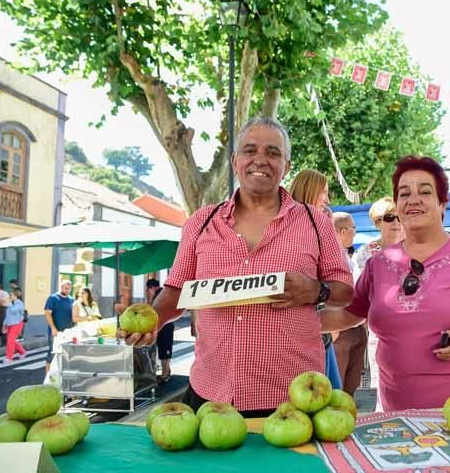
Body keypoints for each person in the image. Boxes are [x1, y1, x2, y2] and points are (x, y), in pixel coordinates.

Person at [119, 118, 354, 417]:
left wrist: (316, 291)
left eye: (273, 152)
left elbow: (345, 292)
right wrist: (152, 322)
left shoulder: (315, 222)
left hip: (293, 398)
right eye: (250, 150)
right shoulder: (200, 223)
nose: (260, 159)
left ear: (287, 165)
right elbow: (176, 292)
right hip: (211, 395)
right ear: (234, 161)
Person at [321, 156, 450, 411]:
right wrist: (297, 319)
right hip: (397, 414)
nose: (413, 199)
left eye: (425, 192)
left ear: (442, 203)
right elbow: (351, 313)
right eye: (404, 194)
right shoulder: (378, 264)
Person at [288, 168, 343, 390]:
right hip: (305, 336)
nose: (328, 199)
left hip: (320, 333)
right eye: (324, 192)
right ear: (311, 192)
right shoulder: (301, 230)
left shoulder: (319, 224)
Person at [331, 211, 367, 397]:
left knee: (351, 386)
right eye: (354, 229)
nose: (355, 233)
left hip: (356, 326)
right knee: (337, 388)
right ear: (343, 231)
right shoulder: (329, 258)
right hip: (340, 328)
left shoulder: (348, 256)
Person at [353, 197, 405, 274]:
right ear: (377, 223)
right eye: (389, 218)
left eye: (400, 217)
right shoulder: (365, 253)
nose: (396, 222)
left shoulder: (414, 251)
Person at [44, 280, 75, 374]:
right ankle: (48, 377)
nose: (67, 290)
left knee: (66, 355)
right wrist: (53, 328)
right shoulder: (53, 298)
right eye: (65, 288)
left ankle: (61, 376)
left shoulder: (71, 299)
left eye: (69, 289)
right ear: (61, 287)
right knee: (52, 354)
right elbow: (47, 314)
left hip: (68, 333)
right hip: (56, 332)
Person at [147, 278, 174, 384]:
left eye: (148, 289)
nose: (149, 292)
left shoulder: (159, 295)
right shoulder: (162, 293)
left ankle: (165, 375)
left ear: (152, 287)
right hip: (166, 326)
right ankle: (166, 372)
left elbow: (154, 311)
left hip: (165, 327)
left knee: (164, 351)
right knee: (165, 351)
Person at [2, 288, 27, 363]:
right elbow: (7, 315)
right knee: (11, 340)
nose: (10, 296)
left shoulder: (19, 304)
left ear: (15, 295)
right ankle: (22, 352)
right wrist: (4, 325)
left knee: (10, 341)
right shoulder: (11, 303)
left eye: (11, 295)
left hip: (17, 324)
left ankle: (9, 358)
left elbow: (13, 311)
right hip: (10, 324)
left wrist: (9, 303)